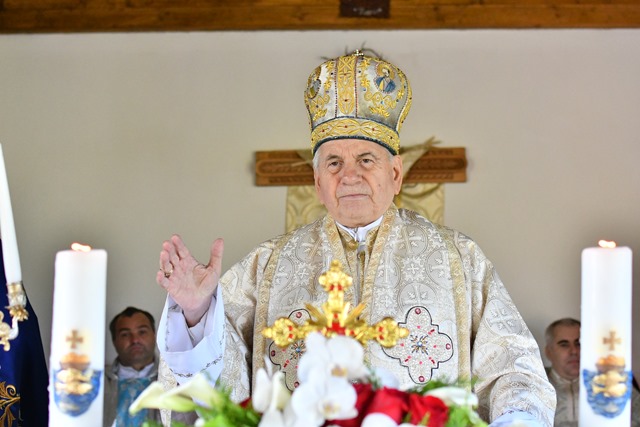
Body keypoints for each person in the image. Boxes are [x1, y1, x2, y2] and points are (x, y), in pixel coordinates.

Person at [155, 50, 556, 426]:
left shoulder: (459, 259)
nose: (349, 175)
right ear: (317, 182)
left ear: (395, 174)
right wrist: (197, 314)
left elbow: (513, 367)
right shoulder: (267, 266)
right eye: (334, 162)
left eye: (366, 159)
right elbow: (220, 398)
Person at [545, 318, 640, 427]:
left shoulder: (612, 381)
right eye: (564, 344)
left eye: (578, 343)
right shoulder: (535, 385)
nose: (574, 351)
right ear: (548, 352)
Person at [104, 306, 161, 427]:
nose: (135, 340)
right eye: (125, 334)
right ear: (114, 341)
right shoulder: (97, 382)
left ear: (154, 335)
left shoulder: (176, 379)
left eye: (142, 332)